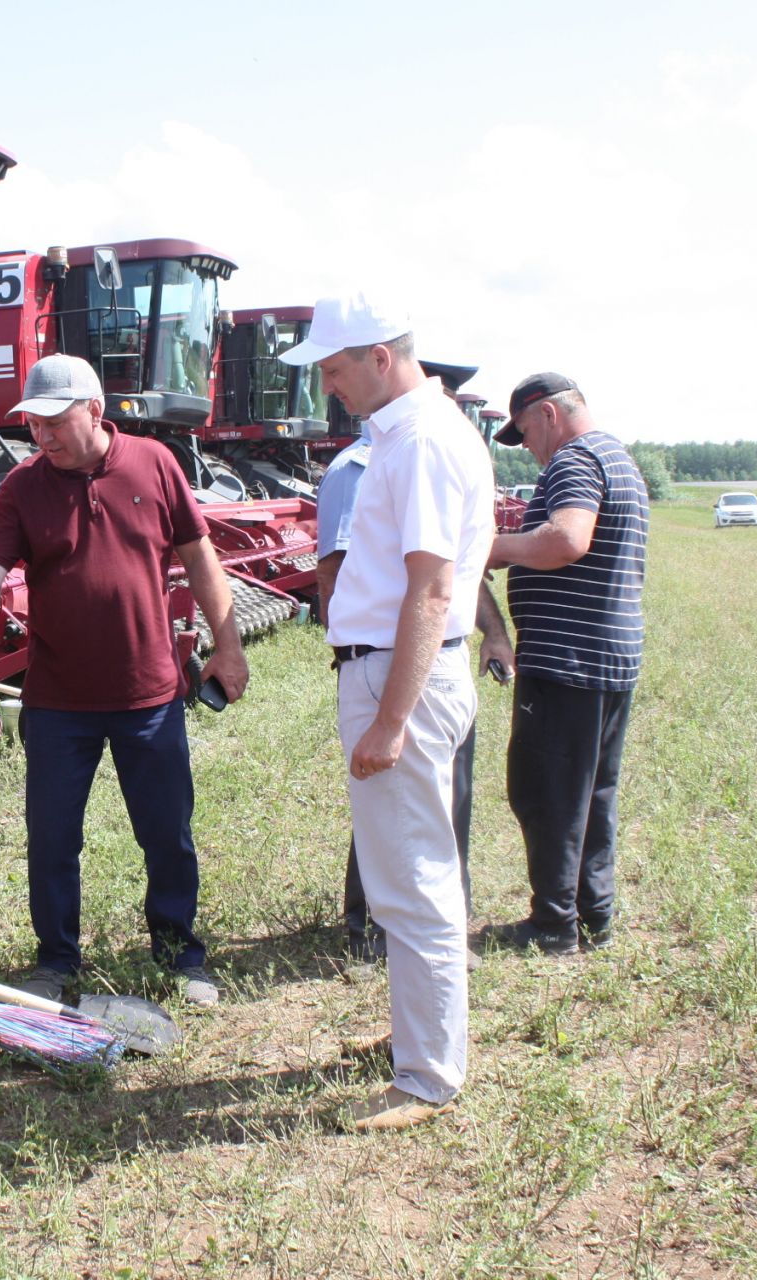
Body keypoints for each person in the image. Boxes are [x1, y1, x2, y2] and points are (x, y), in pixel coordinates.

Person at [0, 354, 249, 1008]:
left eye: (56, 421)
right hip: (58, 700)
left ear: (94, 410)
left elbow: (201, 558)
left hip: (150, 694)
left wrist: (228, 647)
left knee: (166, 832)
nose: (43, 436)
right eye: (33, 423)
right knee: (53, 837)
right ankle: (56, 960)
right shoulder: (25, 488)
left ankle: (178, 951)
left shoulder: (154, 463)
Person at [279, 292, 493, 1131]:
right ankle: (422, 1038)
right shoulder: (403, 438)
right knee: (405, 874)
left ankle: (430, 1076)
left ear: (380, 357)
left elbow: (433, 589)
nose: (326, 385)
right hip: (388, 671)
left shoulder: (425, 444)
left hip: (400, 677)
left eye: (332, 368)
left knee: (412, 882)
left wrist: (392, 717)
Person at [316, 420, 514, 963]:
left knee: (444, 797)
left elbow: (451, 573)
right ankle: (378, 925)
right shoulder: (354, 470)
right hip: (384, 661)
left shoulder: (434, 451)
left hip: (437, 657)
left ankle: (436, 928)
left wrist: (493, 632)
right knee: (389, 799)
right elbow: (333, 570)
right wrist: (351, 659)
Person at [484, 374, 648, 956]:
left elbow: (566, 540)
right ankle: (592, 915)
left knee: (547, 791)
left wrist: (491, 545)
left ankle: (554, 925)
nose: (527, 446)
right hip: (607, 655)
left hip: (567, 659)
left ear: (549, 414)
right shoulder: (616, 457)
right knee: (592, 792)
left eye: (525, 432)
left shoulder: (575, 460)